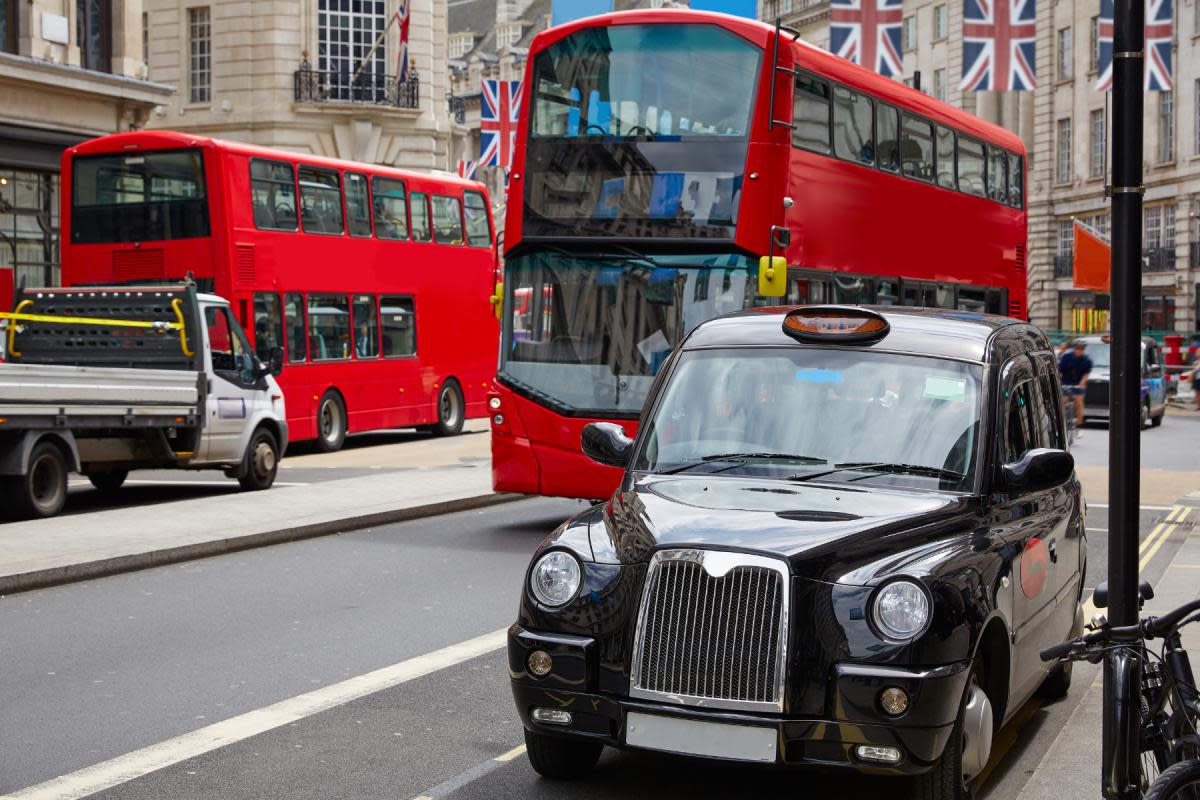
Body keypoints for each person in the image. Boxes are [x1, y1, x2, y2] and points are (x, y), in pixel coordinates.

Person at [1059, 342, 1093, 432]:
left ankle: (1079, 425)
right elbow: (1061, 371)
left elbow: (1086, 374)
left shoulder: (1087, 360)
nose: (1079, 351)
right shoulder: (1066, 357)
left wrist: (1082, 382)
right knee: (1063, 400)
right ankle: (1061, 420)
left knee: (1079, 402)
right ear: (1075, 349)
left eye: (1081, 350)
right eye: (1077, 349)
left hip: (1078, 384)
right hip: (1066, 382)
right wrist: (1059, 380)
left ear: (1083, 351)